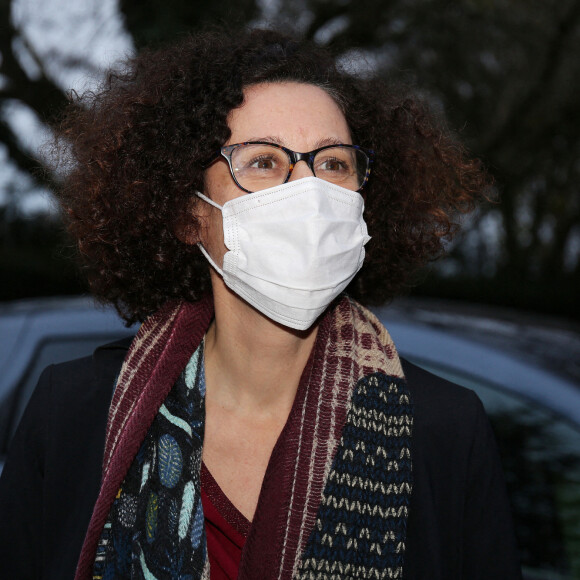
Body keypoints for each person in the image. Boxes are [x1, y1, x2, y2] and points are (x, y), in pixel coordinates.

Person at [0, 27, 522, 579]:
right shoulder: (73, 412)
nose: (310, 189)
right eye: (264, 162)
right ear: (188, 215)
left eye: (334, 163)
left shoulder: (445, 430)